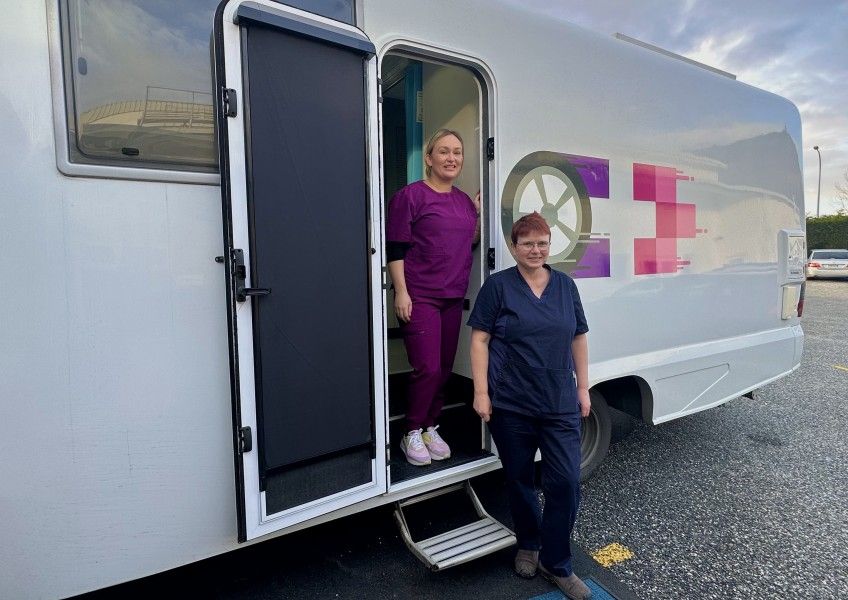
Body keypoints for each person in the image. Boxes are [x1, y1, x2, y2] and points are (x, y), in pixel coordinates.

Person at [467, 212, 592, 600]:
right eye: (527, 243)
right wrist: (481, 392)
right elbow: (479, 341)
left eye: (542, 243)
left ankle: (557, 563)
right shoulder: (498, 287)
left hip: (558, 403)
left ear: (550, 245)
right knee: (519, 480)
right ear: (513, 246)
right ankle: (528, 544)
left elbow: (578, 338)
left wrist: (583, 389)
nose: (535, 250)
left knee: (566, 483)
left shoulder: (565, 286)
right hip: (512, 404)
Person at [386, 128, 480, 466]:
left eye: (457, 152)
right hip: (419, 296)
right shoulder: (410, 197)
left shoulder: (465, 203)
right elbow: (395, 249)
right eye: (443, 151)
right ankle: (410, 431)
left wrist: (477, 217)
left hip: (452, 296)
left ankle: (430, 426)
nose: (451, 158)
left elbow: (463, 242)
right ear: (429, 158)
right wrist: (401, 292)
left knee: (442, 368)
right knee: (425, 367)